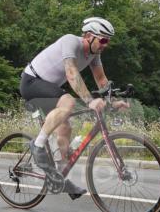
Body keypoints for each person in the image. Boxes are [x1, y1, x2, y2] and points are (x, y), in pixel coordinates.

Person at [20, 17, 129, 199]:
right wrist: (89, 101)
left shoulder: (94, 55)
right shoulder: (70, 41)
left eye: (108, 41)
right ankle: (37, 145)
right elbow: (71, 73)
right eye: (102, 40)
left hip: (50, 88)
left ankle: (59, 177)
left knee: (65, 127)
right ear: (88, 36)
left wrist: (113, 101)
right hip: (31, 81)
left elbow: (102, 81)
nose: (105, 45)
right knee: (69, 102)